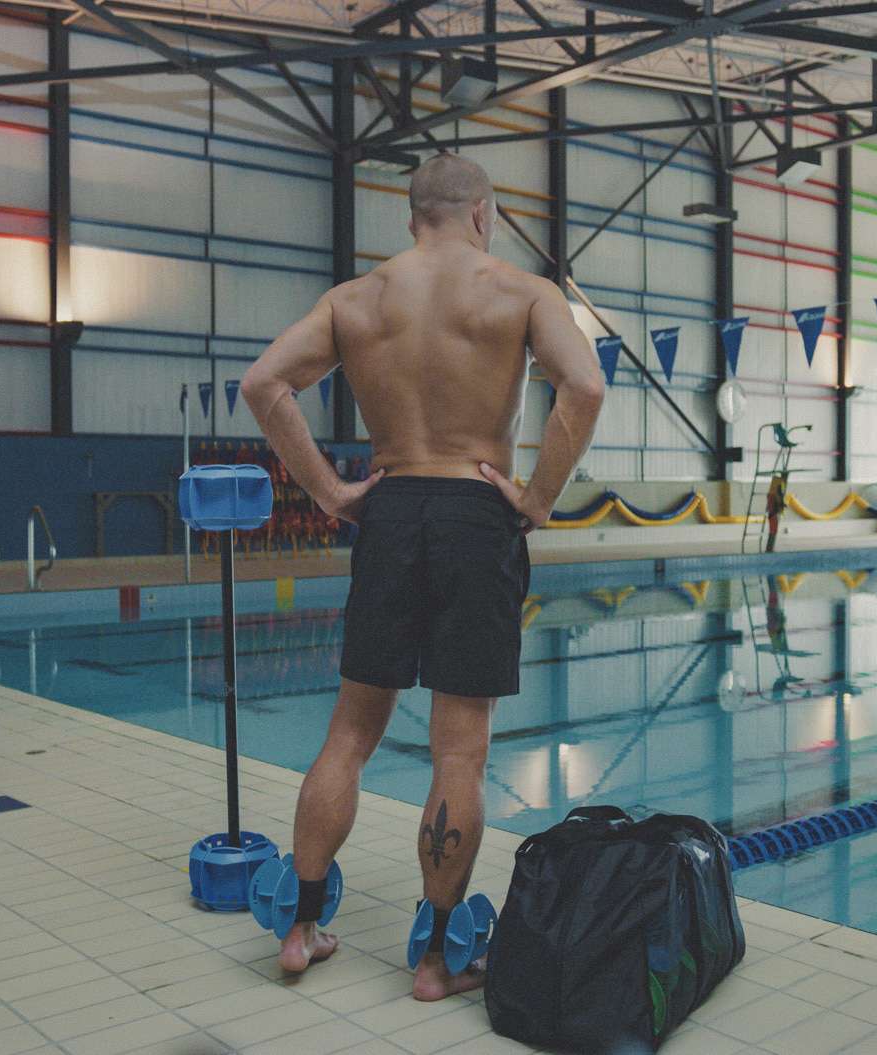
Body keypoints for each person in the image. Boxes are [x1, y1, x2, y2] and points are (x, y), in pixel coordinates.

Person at [240, 152, 606, 1000]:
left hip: (393, 509)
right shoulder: (520, 292)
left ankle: (299, 928)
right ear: (483, 213)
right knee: (459, 750)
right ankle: (436, 959)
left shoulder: (358, 299)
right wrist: (539, 499)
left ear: (413, 219)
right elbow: (583, 385)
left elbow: (264, 384)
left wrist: (333, 492)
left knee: (349, 734)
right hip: (480, 513)